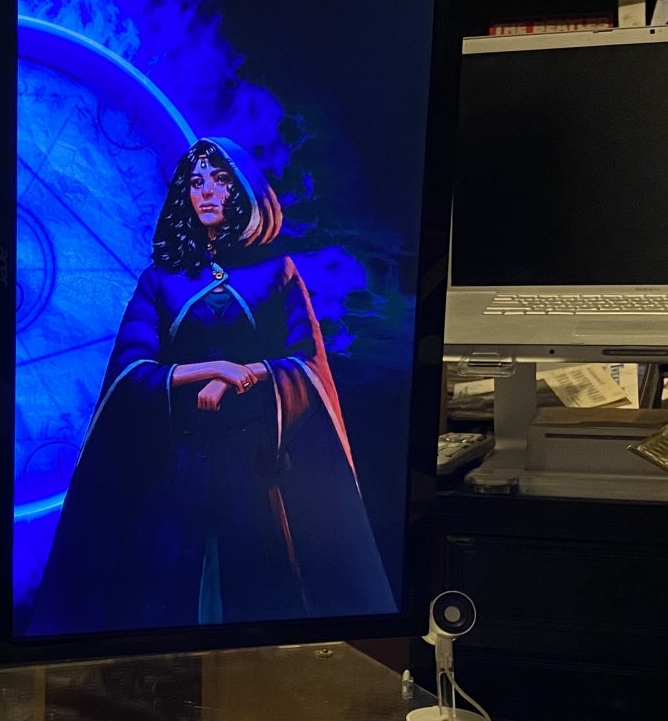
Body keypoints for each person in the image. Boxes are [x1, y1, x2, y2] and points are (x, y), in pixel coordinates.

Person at [27, 137, 394, 634]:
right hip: (175, 472)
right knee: (161, 598)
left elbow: (307, 365)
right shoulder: (160, 279)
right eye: (196, 181)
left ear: (243, 188)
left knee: (259, 596)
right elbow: (130, 371)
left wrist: (247, 375)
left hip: (255, 469)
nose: (206, 192)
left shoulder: (277, 272)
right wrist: (214, 370)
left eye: (219, 180)